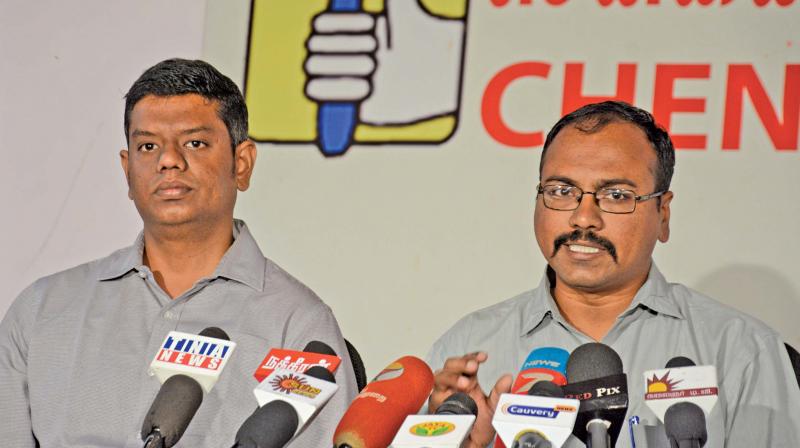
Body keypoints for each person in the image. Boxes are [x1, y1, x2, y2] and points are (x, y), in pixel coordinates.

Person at [0, 59, 357, 447]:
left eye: (194, 143)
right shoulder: (41, 312)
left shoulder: (297, 325)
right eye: (148, 146)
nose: (168, 160)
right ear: (128, 171)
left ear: (242, 163)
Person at [426, 101, 800, 447]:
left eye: (617, 195)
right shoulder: (466, 353)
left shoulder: (742, 351)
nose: (583, 217)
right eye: (561, 190)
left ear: (663, 215)